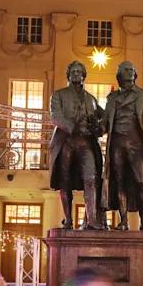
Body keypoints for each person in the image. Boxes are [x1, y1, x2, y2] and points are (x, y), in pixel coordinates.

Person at [101, 61, 143, 231]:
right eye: (126, 70)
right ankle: (123, 221)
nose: (130, 72)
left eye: (132, 70)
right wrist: (96, 127)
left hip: (138, 145)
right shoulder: (112, 98)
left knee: (141, 181)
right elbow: (105, 123)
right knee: (120, 182)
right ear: (119, 75)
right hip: (117, 144)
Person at [49, 61, 105, 230]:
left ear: (83, 75)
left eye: (79, 72)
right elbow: (56, 117)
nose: (76, 74)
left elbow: (103, 118)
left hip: (86, 143)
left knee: (91, 179)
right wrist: (73, 127)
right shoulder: (58, 95)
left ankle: (92, 220)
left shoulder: (91, 99)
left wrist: (100, 127)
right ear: (68, 75)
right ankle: (68, 220)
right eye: (72, 71)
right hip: (66, 142)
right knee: (65, 181)